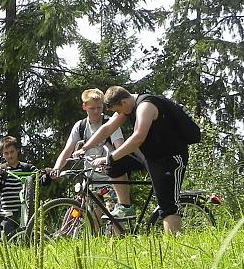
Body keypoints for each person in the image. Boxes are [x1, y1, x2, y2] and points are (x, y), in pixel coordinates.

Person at [81, 86, 189, 234]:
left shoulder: (146, 106)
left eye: (118, 110)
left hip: (169, 158)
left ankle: (175, 247)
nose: (119, 114)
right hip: (150, 156)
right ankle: (125, 208)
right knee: (115, 165)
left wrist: (111, 156)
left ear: (124, 102)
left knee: (167, 206)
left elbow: (138, 137)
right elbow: (107, 129)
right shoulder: (128, 106)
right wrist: (85, 148)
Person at [50, 88, 146, 218]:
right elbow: (67, 150)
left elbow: (120, 147)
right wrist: (57, 168)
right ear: (84, 107)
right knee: (93, 217)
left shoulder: (109, 122)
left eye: (99, 108)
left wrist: (105, 159)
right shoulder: (80, 126)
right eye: (92, 108)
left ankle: (119, 237)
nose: (96, 111)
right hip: (90, 181)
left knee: (114, 218)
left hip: (111, 181)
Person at [0, 136, 49, 237]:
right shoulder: (2, 170)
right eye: (6, 153)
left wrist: (47, 175)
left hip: (25, 213)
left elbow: (41, 180)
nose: (10, 156)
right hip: (7, 214)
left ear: (17, 150)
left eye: (12, 152)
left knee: (28, 238)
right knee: (9, 240)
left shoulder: (27, 168)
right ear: (3, 154)